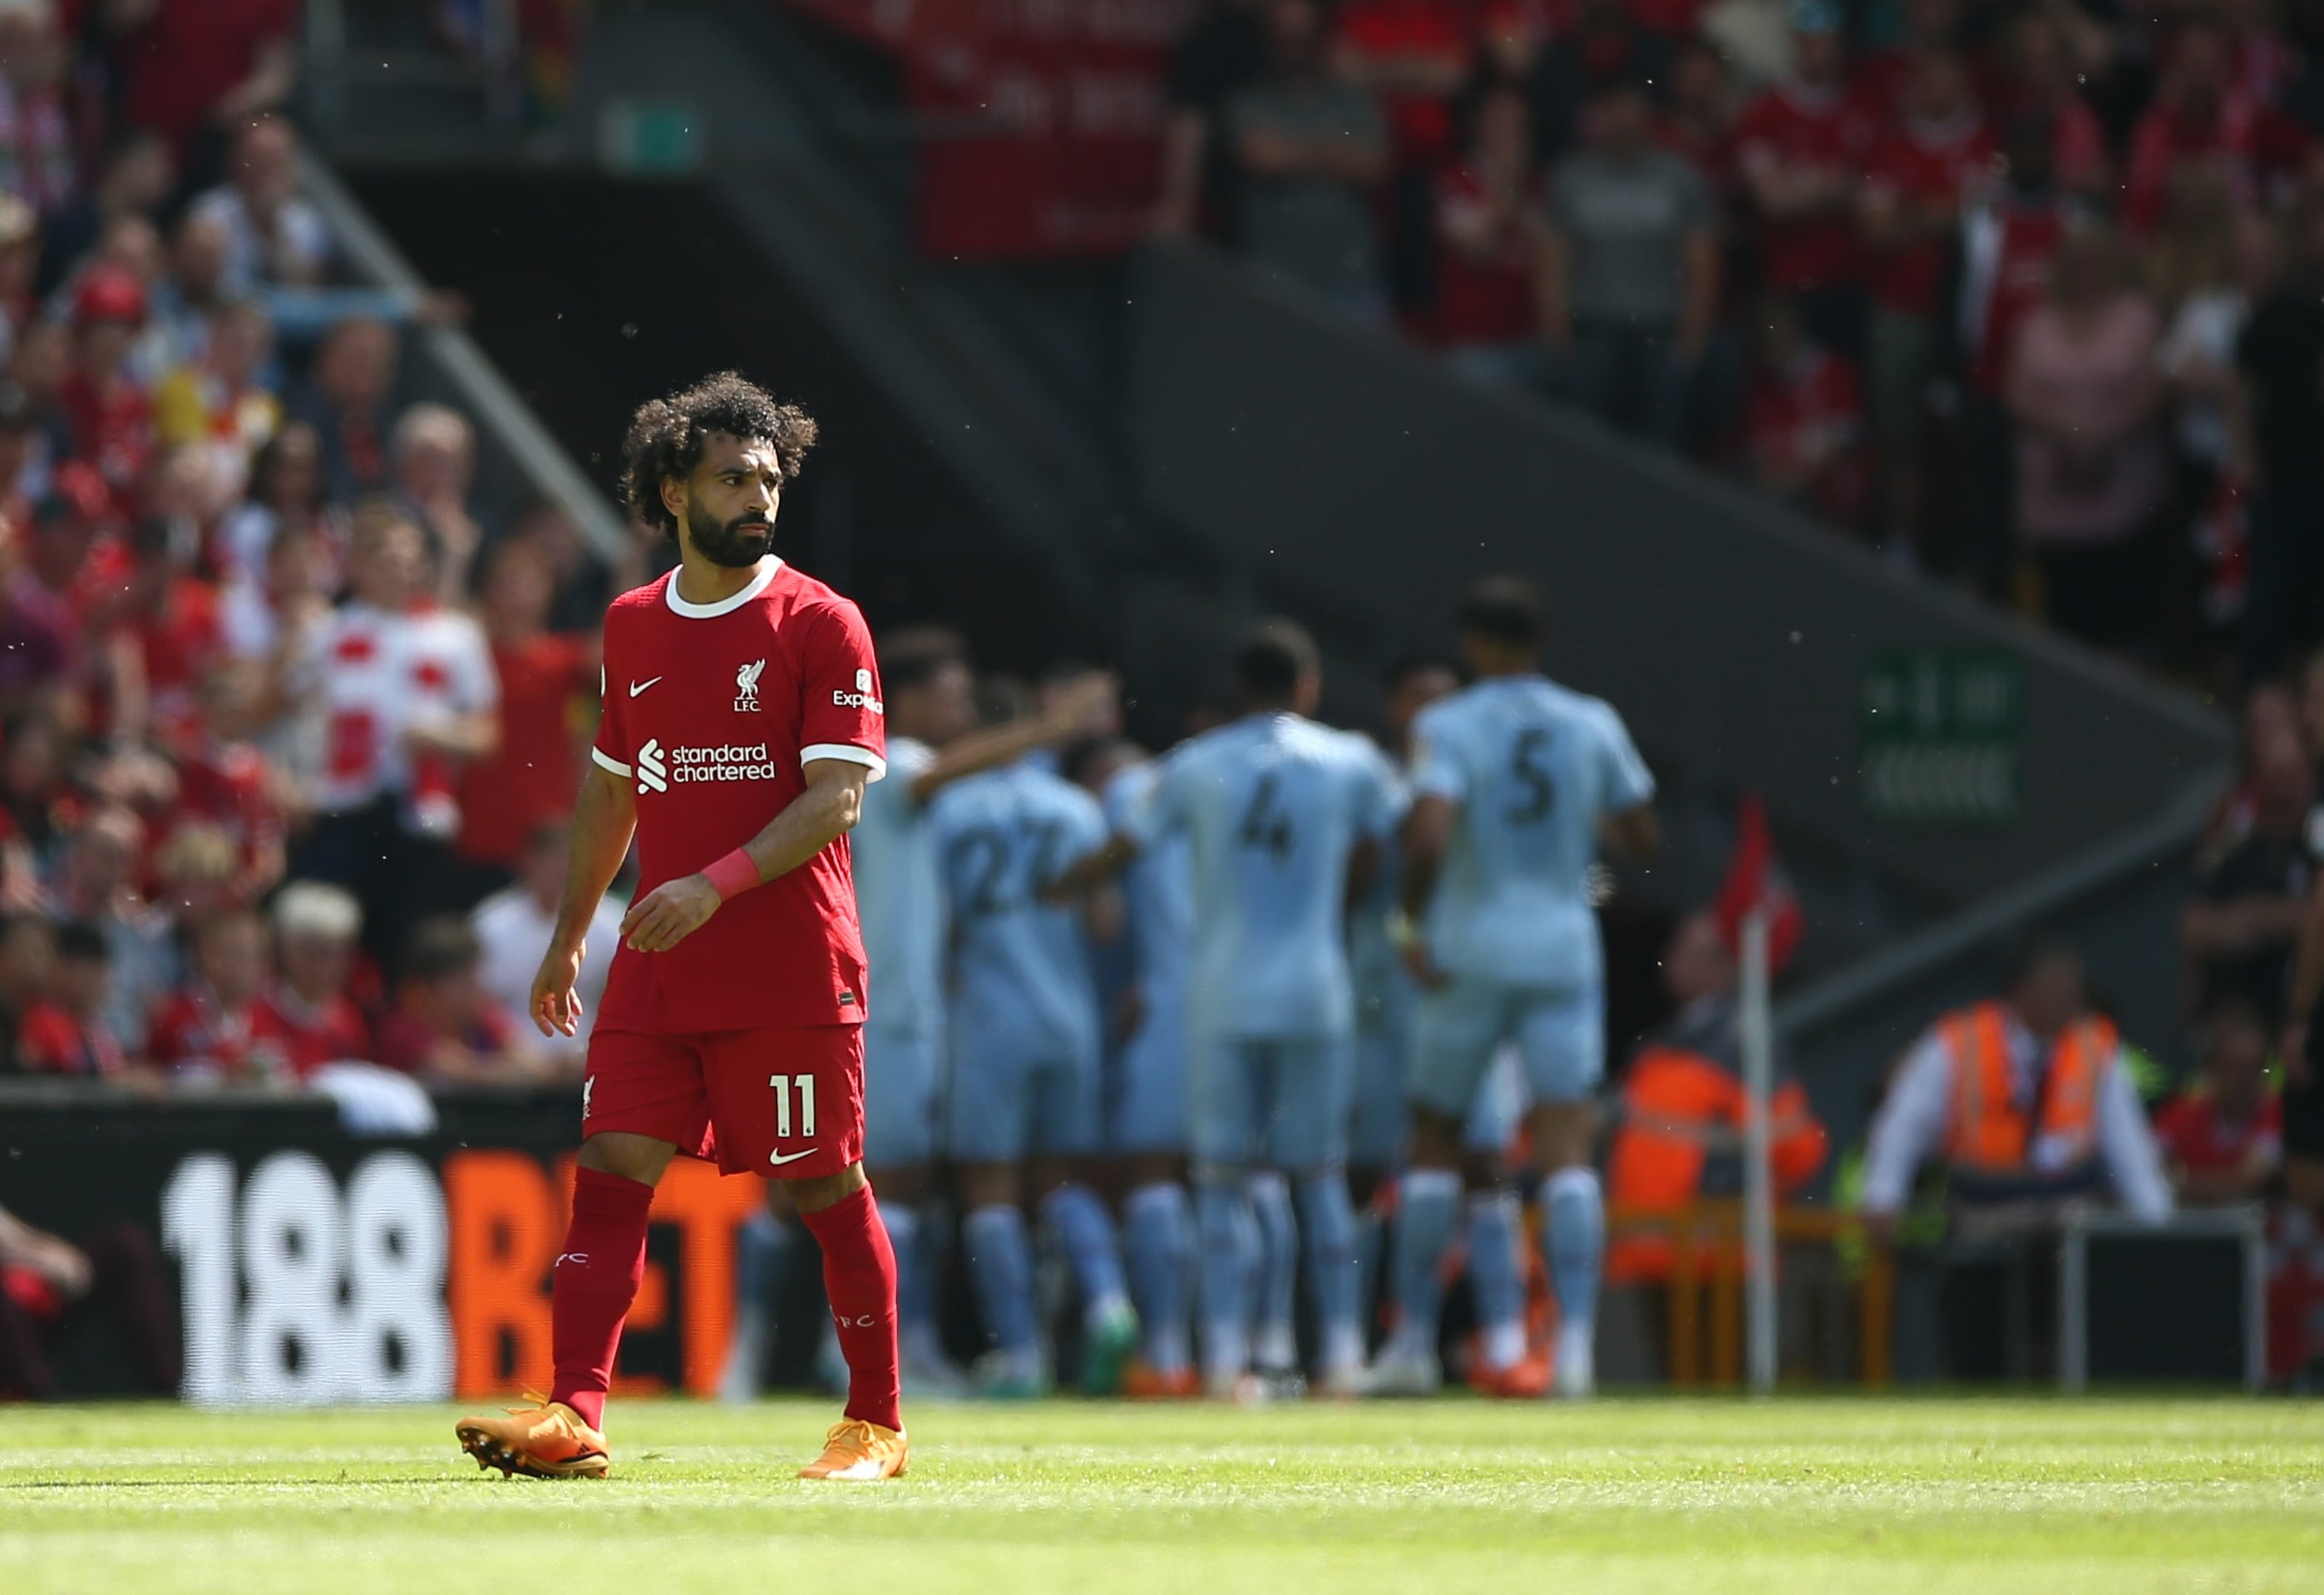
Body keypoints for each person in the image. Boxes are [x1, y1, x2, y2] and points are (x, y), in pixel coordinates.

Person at [453, 372, 906, 1483]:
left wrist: (712, 880)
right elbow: (611, 791)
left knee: (821, 1185)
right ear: (670, 491)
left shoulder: (821, 619)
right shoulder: (631, 623)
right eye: (730, 477)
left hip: (788, 961)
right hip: (660, 963)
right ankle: (573, 1410)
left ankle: (874, 1426)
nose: (756, 496)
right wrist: (570, 936)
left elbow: (835, 798)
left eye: (766, 478)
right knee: (609, 1165)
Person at [723, 630, 1114, 1404]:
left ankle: (790, 1353)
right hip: (878, 1015)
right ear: (906, 701)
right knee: (878, 1186)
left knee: (844, 1184)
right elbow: (935, 777)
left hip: (894, 1008)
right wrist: (1050, 729)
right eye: (950, 695)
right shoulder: (888, 759)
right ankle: (842, 1355)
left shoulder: (907, 782)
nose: (963, 711)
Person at [1061, 620, 1399, 1402]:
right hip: (1317, 987)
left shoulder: (1194, 765)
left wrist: (1068, 883)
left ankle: (1220, 1363)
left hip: (1221, 993)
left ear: (1238, 690)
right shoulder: (1347, 758)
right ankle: (1343, 1358)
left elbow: (1127, 843)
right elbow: (1399, 834)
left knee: (1218, 1178)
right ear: (1308, 685)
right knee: (1318, 1176)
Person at [1364, 575, 1659, 1400]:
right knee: (1565, 1143)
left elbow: (1426, 835)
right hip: (1562, 948)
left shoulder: (1449, 724)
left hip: (1469, 944)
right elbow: (1642, 832)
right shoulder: (1589, 720)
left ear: (1473, 643)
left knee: (1435, 1137)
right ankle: (1572, 1351)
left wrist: (1407, 925)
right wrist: (1574, 829)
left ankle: (1414, 1343)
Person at [930, 680, 1137, 1399]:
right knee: (1060, 1182)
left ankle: (1020, 1355)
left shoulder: (949, 809)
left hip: (989, 1015)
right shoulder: (1075, 808)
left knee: (988, 1189)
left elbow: (941, 927)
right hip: (1067, 1013)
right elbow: (1106, 924)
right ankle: (1109, 1300)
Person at [1856, 939, 2174, 1238]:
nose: (2068, 997)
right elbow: (1904, 1125)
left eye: (2072, 987)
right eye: (2055, 987)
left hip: (2065, 1219)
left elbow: (2130, 1148)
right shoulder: (1960, 1042)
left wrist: (2159, 1224)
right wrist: (1883, 1197)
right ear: (2022, 993)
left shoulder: (2095, 1048)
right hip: (1983, 1211)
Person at [1604, 911, 1828, 1289]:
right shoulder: (1661, 1047)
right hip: (1648, 1256)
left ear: (1724, 966)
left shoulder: (1744, 1041)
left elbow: (1798, 1148)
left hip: (1716, 1261)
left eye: (1691, 952)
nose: (1674, 960)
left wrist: (1722, 1182)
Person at [2004, 220, 2165, 650]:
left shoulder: (2137, 316)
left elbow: (2153, 390)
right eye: (2076, 261)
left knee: (2121, 608)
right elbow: (2017, 394)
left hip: (2122, 481)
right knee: (2062, 612)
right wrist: (2074, 436)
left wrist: (2101, 439)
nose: (2085, 270)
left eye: (2094, 260)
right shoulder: (2036, 322)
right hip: (2053, 489)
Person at [1859, 47, 1991, 555]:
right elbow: (1874, 231)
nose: (1937, 88)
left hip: (1973, 319)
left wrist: (1914, 214)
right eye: (1928, 77)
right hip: (1900, 309)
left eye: (1948, 76)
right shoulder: (1889, 143)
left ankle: (1967, 553)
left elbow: (1993, 218)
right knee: (1900, 437)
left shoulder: (1987, 141)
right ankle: (1902, 547)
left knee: (1968, 445)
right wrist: (1955, 213)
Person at [1542, 72, 1718, 447]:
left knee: (1664, 453)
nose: (1624, 120)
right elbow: (1554, 264)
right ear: (1600, 115)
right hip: (1593, 332)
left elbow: (1700, 265)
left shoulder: (1680, 178)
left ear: (1647, 115)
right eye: (1615, 110)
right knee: (1583, 449)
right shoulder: (1571, 178)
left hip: (1660, 333)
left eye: (1632, 110)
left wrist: (1691, 342)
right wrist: (1556, 337)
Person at [1223, 0, 1393, 318]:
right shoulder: (1250, 101)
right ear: (1267, 38)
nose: (1294, 47)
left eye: (1303, 35)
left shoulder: (1350, 98)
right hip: (1275, 282)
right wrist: (1336, 154)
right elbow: (1261, 157)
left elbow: (1374, 164)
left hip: (1350, 279)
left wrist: (1293, 150)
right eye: (1284, 36)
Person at [2184, 728, 2315, 1028]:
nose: (2289, 787)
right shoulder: (2232, 841)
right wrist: (2241, 924)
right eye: (2279, 775)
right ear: (2259, 780)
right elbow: (2193, 926)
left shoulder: (2318, 835)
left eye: (2296, 773)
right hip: (2240, 1012)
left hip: (2301, 1010)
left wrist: (2265, 917)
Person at [471, 823, 621, 1074]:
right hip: (513, 1063)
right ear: (528, 862)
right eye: (550, 861)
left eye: (567, 863)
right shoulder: (490, 925)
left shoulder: (611, 922)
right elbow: (478, 1002)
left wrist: (597, 1049)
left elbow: (622, 996)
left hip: (594, 1057)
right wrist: (520, 1053)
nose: (559, 870)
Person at [374, 916, 550, 1085]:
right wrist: (516, 1071)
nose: (474, 985)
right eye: (462, 979)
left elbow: (531, 1062)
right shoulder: (402, 1025)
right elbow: (458, 1072)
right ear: (426, 986)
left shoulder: (481, 1010)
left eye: (473, 975)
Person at [2154, 999, 2282, 1207]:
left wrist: (2184, 1181)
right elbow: (2146, 1166)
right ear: (2212, 1066)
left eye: (2252, 1067)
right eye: (2231, 1066)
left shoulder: (2275, 1113)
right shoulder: (2183, 1111)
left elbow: (2250, 1180)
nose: (2242, 1078)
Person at [261, 881, 371, 1077]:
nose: (323, 965)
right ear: (285, 950)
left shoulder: (349, 1019)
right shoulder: (257, 1012)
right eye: (310, 952)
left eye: (333, 952)